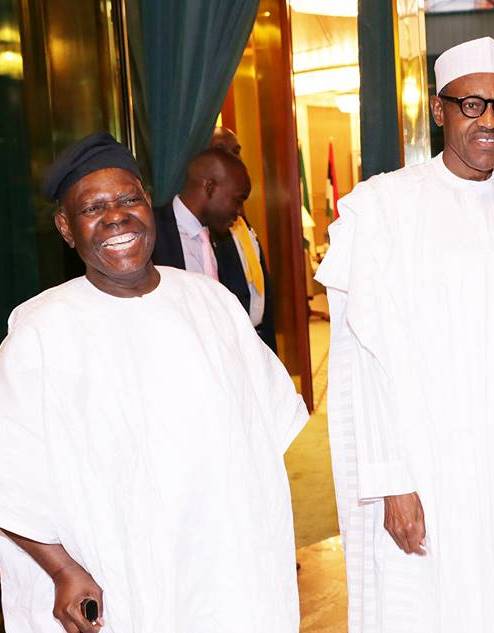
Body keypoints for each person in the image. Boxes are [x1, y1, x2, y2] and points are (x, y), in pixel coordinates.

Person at [315, 37, 494, 633]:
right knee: (436, 606)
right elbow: (365, 363)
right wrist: (392, 480)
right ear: (437, 109)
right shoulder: (384, 208)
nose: (489, 121)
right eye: (471, 104)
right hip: (431, 462)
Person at [0, 132, 306, 632]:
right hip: (114, 571)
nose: (116, 217)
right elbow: (9, 472)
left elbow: (263, 431)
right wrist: (62, 570)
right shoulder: (41, 331)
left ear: (148, 204)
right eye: (93, 207)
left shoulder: (211, 302)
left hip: (217, 568)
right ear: (66, 227)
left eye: (128, 199)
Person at [152, 148, 276, 350]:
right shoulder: (151, 234)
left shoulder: (226, 240)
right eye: (237, 200)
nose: (239, 212)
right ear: (209, 187)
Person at [207, 127, 278, 352]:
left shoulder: (240, 220)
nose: (231, 157)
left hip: (259, 340)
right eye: (221, 150)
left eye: (236, 151)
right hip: (233, 345)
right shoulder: (210, 227)